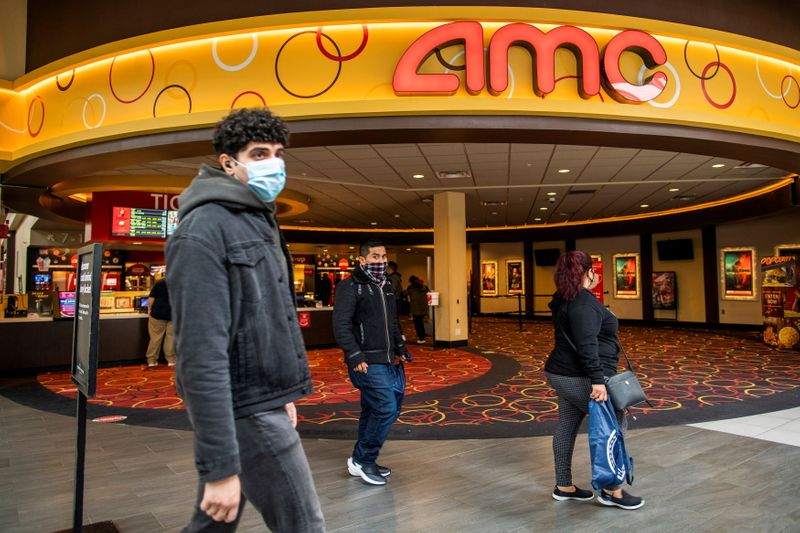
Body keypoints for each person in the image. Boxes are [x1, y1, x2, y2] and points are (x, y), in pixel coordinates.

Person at [166, 108, 325, 532]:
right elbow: (200, 353)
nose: (273, 163)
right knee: (305, 525)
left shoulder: (258, 219)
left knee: (215, 522)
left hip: (261, 398)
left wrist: (281, 390)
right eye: (259, 154)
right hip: (242, 405)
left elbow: (267, 320)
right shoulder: (201, 231)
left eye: (277, 153)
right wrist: (219, 467)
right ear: (228, 162)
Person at [544, 250, 644, 510]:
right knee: (613, 425)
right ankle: (612, 490)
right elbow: (587, 345)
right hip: (581, 376)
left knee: (567, 423)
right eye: (592, 269)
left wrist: (588, 287)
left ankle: (564, 486)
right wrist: (598, 382)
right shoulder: (583, 304)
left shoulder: (566, 298)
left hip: (562, 373)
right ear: (586, 271)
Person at [332, 241, 412, 486]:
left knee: (376, 409)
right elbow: (341, 325)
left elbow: (393, 323)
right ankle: (365, 460)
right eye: (375, 256)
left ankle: (360, 459)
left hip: (387, 359)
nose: (381, 260)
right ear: (362, 260)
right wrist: (355, 356)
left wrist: (400, 348)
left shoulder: (386, 285)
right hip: (366, 361)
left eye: (384, 256)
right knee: (386, 408)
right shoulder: (350, 287)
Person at [145, 275, 176, 368]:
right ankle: (171, 360)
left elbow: (151, 299)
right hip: (173, 315)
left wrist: (149, 309)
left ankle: (151, 360)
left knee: (155, 338)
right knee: (171, 338)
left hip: (157, 314)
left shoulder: (160, 283)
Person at [406, 275, 430, 344]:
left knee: (418, 324)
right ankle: (423, 335)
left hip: (416, 309)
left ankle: (421, 338)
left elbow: (404, 293)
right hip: (424, 307)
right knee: (421, 323)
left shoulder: (411, 288)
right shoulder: (425, 287)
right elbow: (428, 293)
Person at [385, 261, 405, 331]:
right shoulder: (396, 277)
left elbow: (391, 290)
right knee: (395, 318)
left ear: (390, 268)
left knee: (393, 319)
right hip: (397, 300)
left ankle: (399, 335)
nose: (385, 269)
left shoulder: (392, 278)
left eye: (386, 267)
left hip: (394, 301)